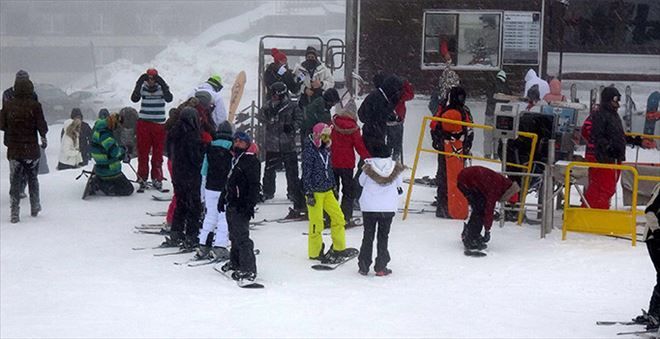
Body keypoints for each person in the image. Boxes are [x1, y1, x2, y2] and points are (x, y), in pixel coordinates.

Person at [0, 75, 48, 223]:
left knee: (15, 181)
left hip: (15, 150)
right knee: (33, 178)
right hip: (31, 150)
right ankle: (35, 205)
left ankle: (15, 212)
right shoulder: (35, 105)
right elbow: (42, 126)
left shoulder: (8, 105)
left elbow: (1, 125)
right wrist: (43, 138)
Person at [257, 82, 307, 218]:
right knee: (269, 169)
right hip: (272, 143)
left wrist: (292, 127)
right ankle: (268, 191)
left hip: (287, 144)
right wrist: (267, 117)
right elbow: (260, 116)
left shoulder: (292, 106)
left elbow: (300, 119)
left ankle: (293, 192)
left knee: (292, 171)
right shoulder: (267, 106)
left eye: (275, 95)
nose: (273, 97)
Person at [303, 122, 350, 262]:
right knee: (316, 223)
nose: (327, 139)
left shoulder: (326, 150)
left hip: (328, 190)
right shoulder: (309, 151)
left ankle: (338, 248)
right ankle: (315, 252)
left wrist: (333, 185)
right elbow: (306, 174)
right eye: (325, 136)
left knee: (339, 218)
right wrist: (309, 192)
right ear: (318, 135)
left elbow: (329, 170)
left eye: (328, 136)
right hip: (315, 192)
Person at [218, 132, 261, 284]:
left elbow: (254, 185)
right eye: (235, 141)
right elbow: (230, 180)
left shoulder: (250, 161)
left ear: (247, 143)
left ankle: (248, 268)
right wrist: (223, 196)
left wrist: (250, 204)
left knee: (242, 237)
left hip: (242, 204)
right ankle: (236, 262)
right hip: (232, 202)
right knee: (234, 236)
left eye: (241, 141)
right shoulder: (235, 159)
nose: (237, 143)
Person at [357, 142, 404, 276]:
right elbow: (399, 185)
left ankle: (364, 265)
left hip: (369, 207)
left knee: (368, 236)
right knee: (383, 237)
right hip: (387, 207)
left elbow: (361, 182)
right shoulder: (395, 167)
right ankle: (381, 267)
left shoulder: (368, 167)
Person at [161, 107, 205, 249]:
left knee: (181, 203)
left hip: (177, 172)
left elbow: (168, 151)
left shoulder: (173, 132)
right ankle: (191, 235)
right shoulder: (191, 134)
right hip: (190, 173)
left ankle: (176, 232)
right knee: (194, 205)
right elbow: (195, 157)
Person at [431, 86, 474, 219]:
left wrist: (439, 142)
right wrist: (465, 146)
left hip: (448, 149)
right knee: (454, 178)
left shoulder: (444, 109)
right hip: (456, 150)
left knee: (445, 177)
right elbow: (470, 129)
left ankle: (446, 206)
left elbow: (434, 126)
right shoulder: (461, 111)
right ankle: (451, 205)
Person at [582, 87, 627, 209]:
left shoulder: (613, 116)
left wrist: (635, 141)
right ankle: (592, 214)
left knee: (605, 189)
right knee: (603, 189)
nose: (617, 104)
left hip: (612, 158)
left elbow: (617, 135)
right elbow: (597, 136)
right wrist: (608, 148)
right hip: (604, 158)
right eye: (615, 100)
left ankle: (595, 211)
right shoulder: (601, 115)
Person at [196, 121, 235, 260]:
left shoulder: (210, 147)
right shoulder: (232, 148)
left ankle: (203, 245)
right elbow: (233, 170)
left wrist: (202, 192)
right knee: (224, 218)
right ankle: (220, 247)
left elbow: (204, 171)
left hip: (210, 187)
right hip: (224, 188)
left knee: (210, 216)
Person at [457, 166, 520, 251]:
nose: (504, 202)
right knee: (480, 211)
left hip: (468, 178)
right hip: (466, 181)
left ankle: (470, 233)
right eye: (507, 201)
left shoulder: (503, 184)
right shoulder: (496, 188)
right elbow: (489, 210)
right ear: (507, 195)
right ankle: (471, 239)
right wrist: (487, 230)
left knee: (479, 208)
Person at [130, 68, 173, 191]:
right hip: (144, 123)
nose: (151, 81)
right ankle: (142, 177)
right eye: (148, 78)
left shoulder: (162, 88)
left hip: (159, 124)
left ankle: (157, 178)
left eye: (153, 79)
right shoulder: (142, 87)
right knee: (143, 152)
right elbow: (134, 99)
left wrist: (163, 84)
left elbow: (169, 98)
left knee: (157, 153)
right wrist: (138, 83)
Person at [331, 97, 371, 228]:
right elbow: (359, 146)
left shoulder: (334, 124)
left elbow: (326, 141)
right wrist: (368, 158)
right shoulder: (354, 128)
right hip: (347, 164)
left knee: (332, 190)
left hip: (333, 162)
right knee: (348, 192)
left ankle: (330, 216)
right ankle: (345, 216)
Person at [633, 184, 660, 330]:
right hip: (655, 238)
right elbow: (650, 211)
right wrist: (657, 231)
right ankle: (655, 315)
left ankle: (654, 313)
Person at [88, 113, 134, 197]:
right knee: (128, 189)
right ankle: (101, 185)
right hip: (108, 168)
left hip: (103, 166)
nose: (117, 128)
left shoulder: (100, 130)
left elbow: (109, 150)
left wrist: (122, 155)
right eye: (117, 125)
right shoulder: (105, 134)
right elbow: (114, 152)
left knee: (123, 184)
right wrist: (124, 150)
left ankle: (101, 180)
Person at [358, 74, 403, 155]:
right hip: (372, 133)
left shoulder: (382, 96)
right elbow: (371, 115)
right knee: (372, 159)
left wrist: (391, 117)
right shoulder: (377, 98)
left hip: (377, 132)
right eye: (396, 91)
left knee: (374, 159)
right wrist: (390, 108)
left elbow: (382, 114)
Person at [484, 70, 512, 159]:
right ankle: (496, 153)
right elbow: (508, 99)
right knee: (497, 135)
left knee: (488, 135)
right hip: (500, 114)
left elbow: (488, 95)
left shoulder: (491, 84)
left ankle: (487, 154)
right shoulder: (506, 87)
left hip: (489, 113)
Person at [388, 79, 414, 163]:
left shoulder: (387, 87)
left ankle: (389, 158)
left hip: (388, 118)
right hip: (398, 118)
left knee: (390, 141)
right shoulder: (401, 92)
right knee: (397, 142)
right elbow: (410, 95)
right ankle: (395, 159)